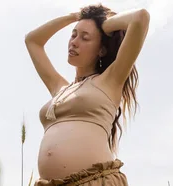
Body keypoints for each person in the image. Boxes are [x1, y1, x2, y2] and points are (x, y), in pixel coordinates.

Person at [24, 3, 150, 186]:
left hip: (95, 181)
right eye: (73, 35)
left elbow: (141, 17)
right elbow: (32, 41)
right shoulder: (60, 88)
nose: (74, 42)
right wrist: (74, 17)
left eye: (85, 38)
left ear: (101, 50)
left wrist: (103, 24)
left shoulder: (110, 81)